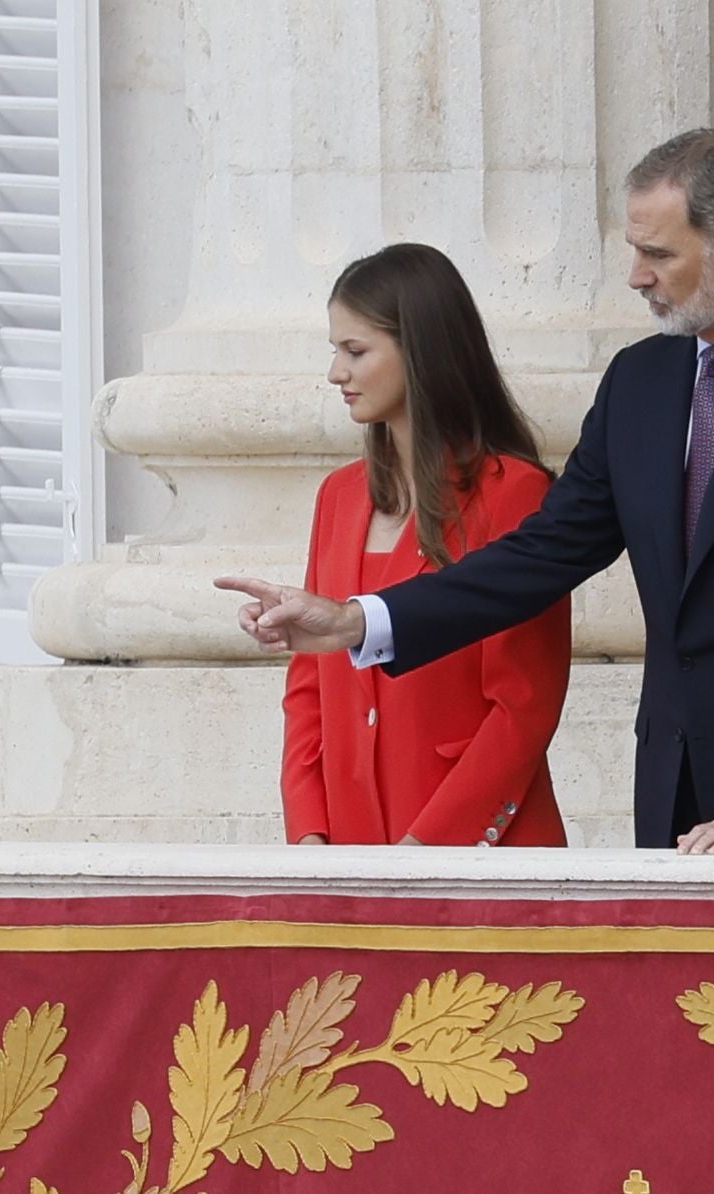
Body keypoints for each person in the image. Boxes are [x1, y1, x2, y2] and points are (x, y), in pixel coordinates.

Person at [218, 127, 714, 852]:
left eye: (657, 254)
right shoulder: (639, 383)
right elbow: (540, 557)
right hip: (671, 790)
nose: (635, 276)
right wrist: (357, 622)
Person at [281, 243, 571, 846]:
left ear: (421, 351)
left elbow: (525, 703)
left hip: (479, 854)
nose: (337, 373)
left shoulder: (514, 492)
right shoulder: (338, 496)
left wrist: (428, 849)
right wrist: (309, 831)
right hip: (349, 853)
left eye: (355, 351)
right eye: (335, 351)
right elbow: (309, 686)